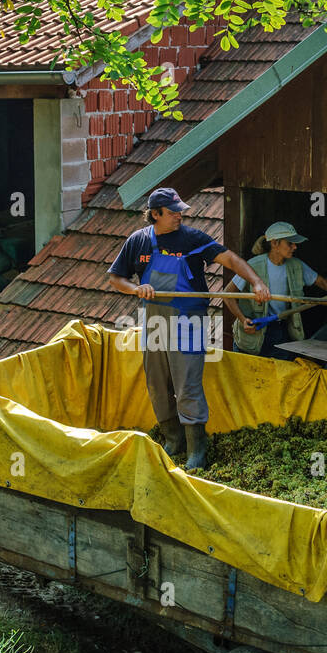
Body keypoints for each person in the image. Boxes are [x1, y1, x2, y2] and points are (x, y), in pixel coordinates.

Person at [108, 187, 271, 470]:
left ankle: (197, 449)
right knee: (157, 383)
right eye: (173, 213)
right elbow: (115, 278)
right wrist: (137, 289)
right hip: (154, 319)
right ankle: (174, 439)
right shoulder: (138, 242)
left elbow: (230, 259)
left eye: (181, 211)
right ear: (155, 214)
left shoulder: (192, 238)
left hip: (189, 319)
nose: (179, 216)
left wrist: (256, 282)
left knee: (187, 385)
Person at [224, 222, 327, 359]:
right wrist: (242, 320)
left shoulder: (296, 265)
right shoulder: (253, 265)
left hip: (280, 330)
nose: (295, 247)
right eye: (290, 243)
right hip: (254, 331)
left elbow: (322, 282)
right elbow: (227, 295)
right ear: (275, 243)